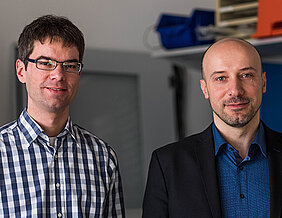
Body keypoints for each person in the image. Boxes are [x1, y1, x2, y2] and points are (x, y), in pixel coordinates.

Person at [0, 15, 125, 217]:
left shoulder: (103, 157)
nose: (58, 75)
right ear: (21, 71)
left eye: (69, 65)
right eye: (46, 63)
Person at [142, 38, 282, 217]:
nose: (235, 90)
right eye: (221, 78)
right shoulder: (167, 164)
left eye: (246, 75)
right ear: (205, 89)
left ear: (263, 82)